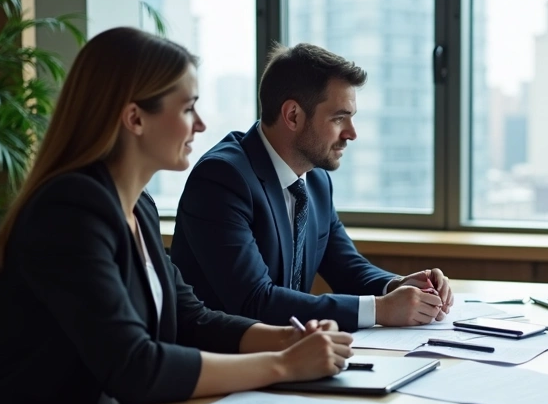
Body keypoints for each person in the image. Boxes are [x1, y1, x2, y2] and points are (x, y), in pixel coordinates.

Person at [0, 28, 353, 404]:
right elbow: (135, 367)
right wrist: (284, 365)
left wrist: (287, 338)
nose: (200, 125)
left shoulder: (136, 204)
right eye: (187, 109)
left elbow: (191, 319)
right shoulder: (69, 211)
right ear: (135, 118)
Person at [169, 43, 452, 331]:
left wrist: (398, 285)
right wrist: (379, 309)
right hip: (222, 361)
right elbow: (254, 301)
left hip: (288, 356)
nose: (352, 134)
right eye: (339, 118)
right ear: (292, 115)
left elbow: (347, 267)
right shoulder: (221, 179)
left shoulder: (315, 180)